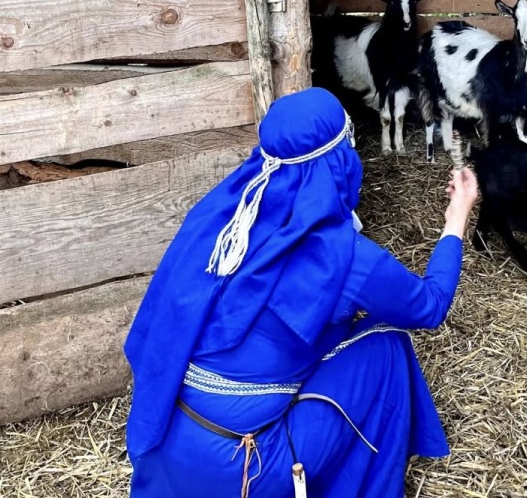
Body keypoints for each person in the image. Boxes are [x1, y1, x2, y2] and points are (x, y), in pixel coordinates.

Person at [123, 87, 479, 497]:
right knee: (386, 342)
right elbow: (429, 307)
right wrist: (456, 221)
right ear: (339, 162)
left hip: (164, 436)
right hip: (244, 467)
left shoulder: (220, 218)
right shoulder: (347, 258)